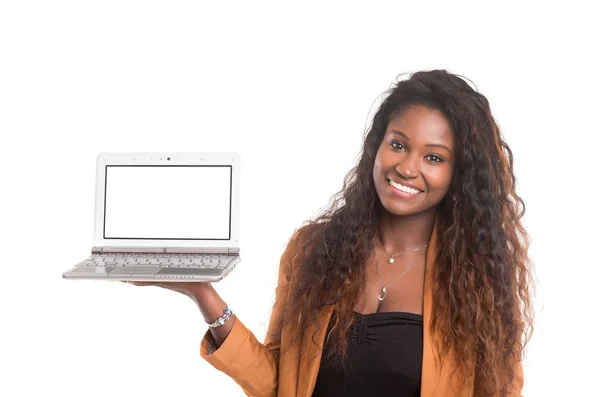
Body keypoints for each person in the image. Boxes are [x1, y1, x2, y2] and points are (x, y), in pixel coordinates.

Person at [127, 69, 534, 397]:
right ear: (377, 145)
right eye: (398, 144)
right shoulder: (314, 249)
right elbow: (278, 385)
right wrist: (204, 294)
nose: (408, 168)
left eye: (433, 157)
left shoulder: (478, 278)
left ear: (458, 174)